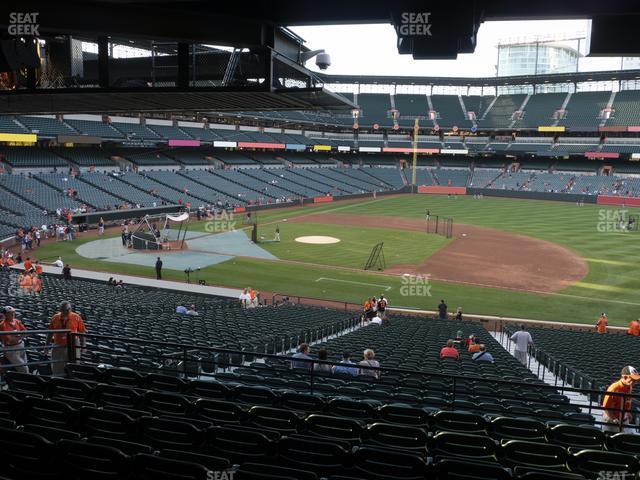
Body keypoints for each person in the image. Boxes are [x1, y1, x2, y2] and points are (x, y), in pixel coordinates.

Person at [45, 301, 87, 377]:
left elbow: (82, 332)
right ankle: (57, 380)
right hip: (58, 344)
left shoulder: (76, 317)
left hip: (73, 344)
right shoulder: (55, 317)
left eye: (69, 309)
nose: (68, 311)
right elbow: (50, 333)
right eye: (65, 310)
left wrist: (83, 346)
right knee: (57, 366)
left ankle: (72, 379)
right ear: (60, 310)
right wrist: (46, 346)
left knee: (74, 364)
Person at [601, 366, 640, 432]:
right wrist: (614, 419)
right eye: (633, 380)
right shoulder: (614, 388)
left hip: (623, 419)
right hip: (612, 421)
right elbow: (606, 407)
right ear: (624, 377)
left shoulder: (629, 386)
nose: (635, 382)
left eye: (635, 380)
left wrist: (628, 413)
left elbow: (627, 401)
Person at [0, 306, 28, 373]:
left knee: (25, 365)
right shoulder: (2, 325)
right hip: (11, 349)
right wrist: (20, 336)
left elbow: (25, 332)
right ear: (5, 314)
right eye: (10, 313)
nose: (13, 314)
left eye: (13, 312)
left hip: (21, 346)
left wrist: (17, 337)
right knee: (24, 369)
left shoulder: (17, 321)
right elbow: (10, 340)